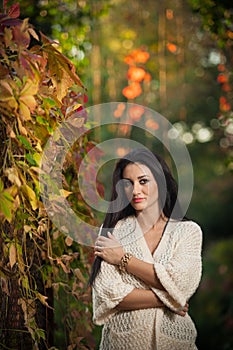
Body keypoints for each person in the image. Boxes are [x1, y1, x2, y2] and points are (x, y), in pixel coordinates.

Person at [89, 148, 202, 350]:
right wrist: (171, 300)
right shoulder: (113, 231)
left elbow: (181, 284)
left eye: (143, 181)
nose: (135, 191)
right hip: (122, 342)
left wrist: (123, 259)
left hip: (175, 342)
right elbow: (108, 293)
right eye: (127, 183)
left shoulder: (188, 232)